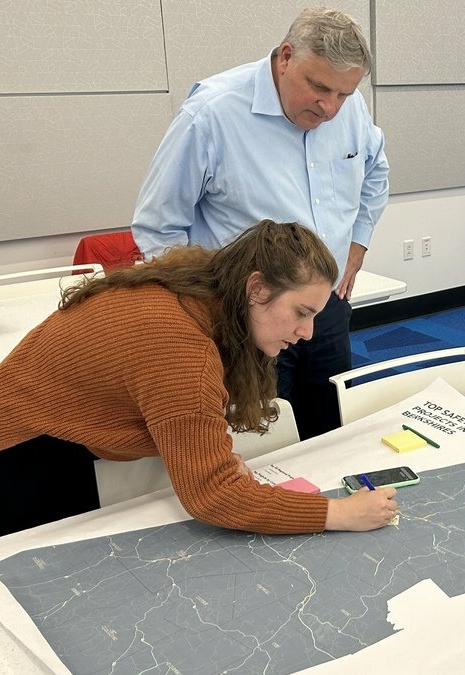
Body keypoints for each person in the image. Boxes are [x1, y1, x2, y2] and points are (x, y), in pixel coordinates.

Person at [0, 220, 398, 551]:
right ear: (257, 288)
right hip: (13, 446)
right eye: (301, 312)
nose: (308, 333)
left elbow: (164, 410)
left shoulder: (203, 288)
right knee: (12, 587)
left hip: (46, 424)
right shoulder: (182, 347)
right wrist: (337, 513)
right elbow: (212, 495)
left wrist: (206, 454)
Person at [131, 7, 389, 440]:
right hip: (249, 314)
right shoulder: (212, 114)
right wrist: (203, 309)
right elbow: (158, 226)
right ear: (286, 57)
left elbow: (375, 172)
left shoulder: (350, 107)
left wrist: (357, 245)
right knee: (259, 437)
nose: (330, 108)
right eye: (319, 88)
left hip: (325, 304)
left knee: (329, 425)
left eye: (343, 94)